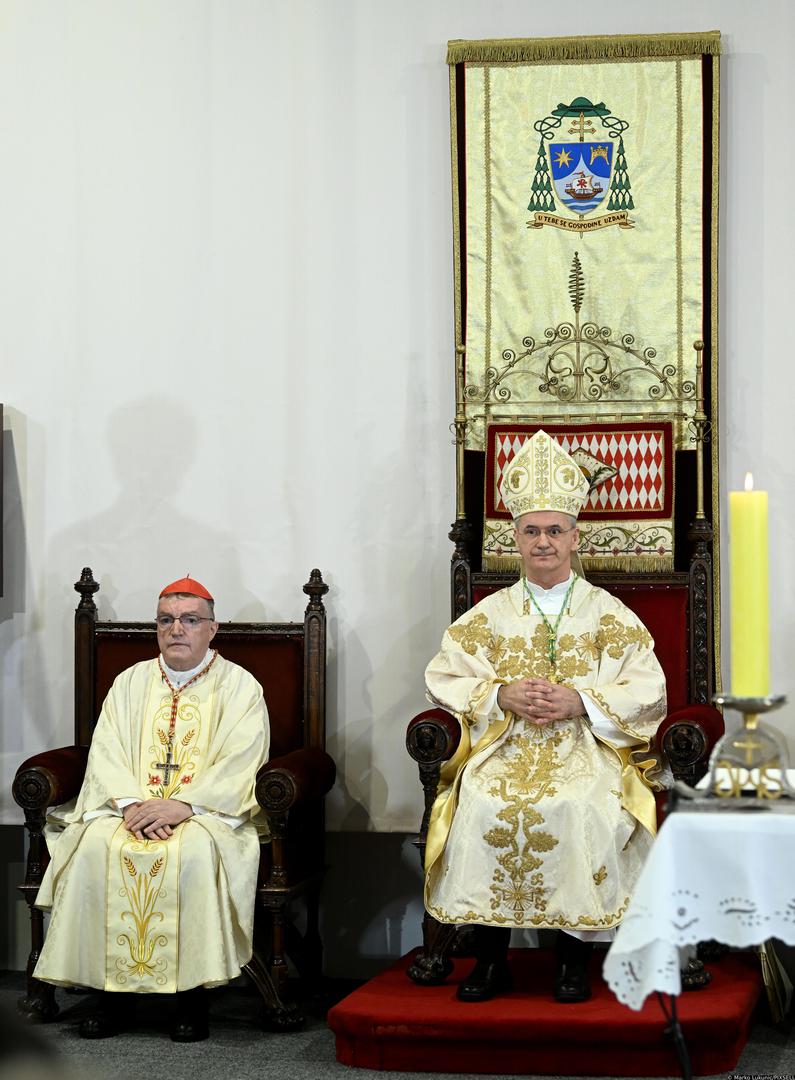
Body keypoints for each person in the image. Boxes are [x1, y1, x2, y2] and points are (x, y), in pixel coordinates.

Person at [423, 430, 668, 1003]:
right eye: (531, 531)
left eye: (554, 531)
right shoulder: (491, 612)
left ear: (575, 537)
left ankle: (571, 959)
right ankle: (489, 958)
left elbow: (648, 687)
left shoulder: (608, 613)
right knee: (481, 801)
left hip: (585, 748)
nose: (542, 542)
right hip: (506, 748)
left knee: (578, 805)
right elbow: (443, 673)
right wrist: (500, 695)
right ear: (515, 537)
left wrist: (581, 701)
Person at [34, 576, 270, 1041]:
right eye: (166, 620)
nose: (176, 629)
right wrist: (128, 805)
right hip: (128, 808)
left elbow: (244, 759)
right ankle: (108, 996)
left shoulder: (240, 687)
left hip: (205, 814)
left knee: (195, 854)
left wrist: (184, 804)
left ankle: (190, 999)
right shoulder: (131, 682)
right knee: (94, 846)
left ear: (211, 628)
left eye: (189, 620)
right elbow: (106, 751)